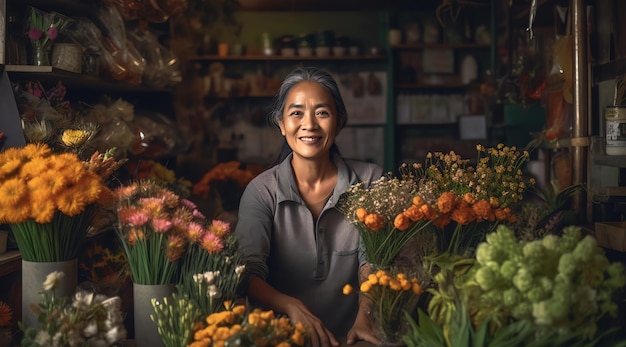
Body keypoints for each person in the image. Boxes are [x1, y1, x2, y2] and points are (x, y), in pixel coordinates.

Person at [235, 66, 383, 347]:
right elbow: (247, 273)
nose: (310, 124)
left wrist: (365, 317)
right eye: (296, 113)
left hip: (357, 338)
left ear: (339, 122)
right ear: (281, 123)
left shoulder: (370, 181)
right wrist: (290, 305)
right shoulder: (261, 191)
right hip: (283, 340)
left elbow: (375, 259)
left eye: (322, 113)